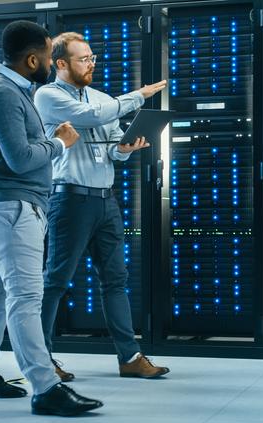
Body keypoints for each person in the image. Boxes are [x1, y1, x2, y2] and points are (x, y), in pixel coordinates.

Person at [0, 20, 103, 416]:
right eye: (46, 56)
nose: (50, 63)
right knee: (26, 297)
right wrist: (59, 142)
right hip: (11, 207)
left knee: (1, 291)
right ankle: (46, 387)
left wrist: (48, 140)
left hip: (16, 206)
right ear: (30, 59)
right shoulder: (2, 93)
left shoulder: (14, 90)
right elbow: (21, 160)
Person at [35, 32, 169, 381]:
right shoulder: (48, 95)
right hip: (69, 200)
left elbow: (108, 143)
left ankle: (130, 358)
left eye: (93, 57)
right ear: (61, 63)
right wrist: (138, 96)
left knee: (115, 280)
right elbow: (93, 117)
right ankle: (42, 359)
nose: (91, 64)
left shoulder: (100, 97)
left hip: (105, 201)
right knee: (56, 281)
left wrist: (124, 149)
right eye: (84, 59)